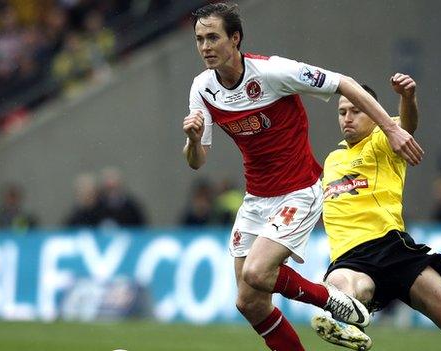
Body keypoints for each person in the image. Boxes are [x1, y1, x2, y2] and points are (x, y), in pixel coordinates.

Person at [182, 3, 424, 351]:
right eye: (200, 39)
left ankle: (329, 298)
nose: (205, 46)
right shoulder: (203, 88)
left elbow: (346, 84)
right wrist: (192, 139)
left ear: (234, 39)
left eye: (213, 37)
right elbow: (197, 161)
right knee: (248, 302)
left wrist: (391, 128)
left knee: (257, 273)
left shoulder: (273, 72)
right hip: (256, 199)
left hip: (298, 191)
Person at [311, 75, 441, 351]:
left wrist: (407, 98)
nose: (347, 118)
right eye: (342, 112)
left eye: (356, 111)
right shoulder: (332, 160)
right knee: (340, 285)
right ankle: (343, 321)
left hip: (393, 250)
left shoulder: (383, 138)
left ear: (374, 114)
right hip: (350, 258)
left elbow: (407, 125)